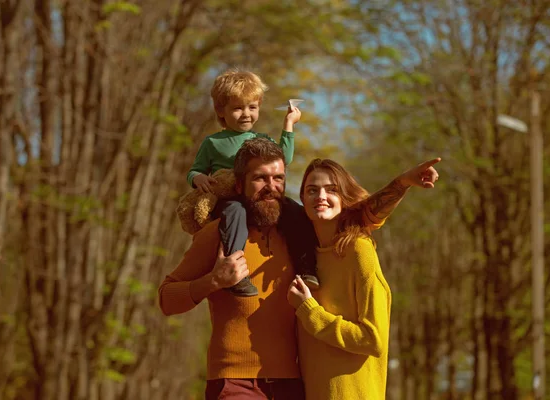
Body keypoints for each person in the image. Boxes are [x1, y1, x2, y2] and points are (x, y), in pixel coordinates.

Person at [159, 138, 440, 399]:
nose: (271, 186)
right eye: (259, 178)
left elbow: (355, 212)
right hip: (235, 383)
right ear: (238, 185)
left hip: (294, 385)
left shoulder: (301, 234)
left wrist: (403, 183)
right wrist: (213, 281)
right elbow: (166, 298)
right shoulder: (218, 235)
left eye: (278, 178)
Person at [184, 67, 321, 296]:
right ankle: (236, 271)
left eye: (252, 107)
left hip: (259, 197)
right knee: (235, 212)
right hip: (229, 199)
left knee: (295, 212)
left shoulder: (261, 139)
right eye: (238, 108)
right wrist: (197, 178)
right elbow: (194, 170)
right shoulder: (212, 142)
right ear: (221, 111)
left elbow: (283, 158)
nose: (246, 113)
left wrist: (289, 125)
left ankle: (307, 268)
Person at [287, 158, 418, 399]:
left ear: (345, 198)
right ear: (302, 199)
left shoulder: (359, 250)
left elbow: (373, 339)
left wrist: (310, 312)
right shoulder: (304, 256)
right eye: (312, 190)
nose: (321, 196)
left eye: (332, 189)